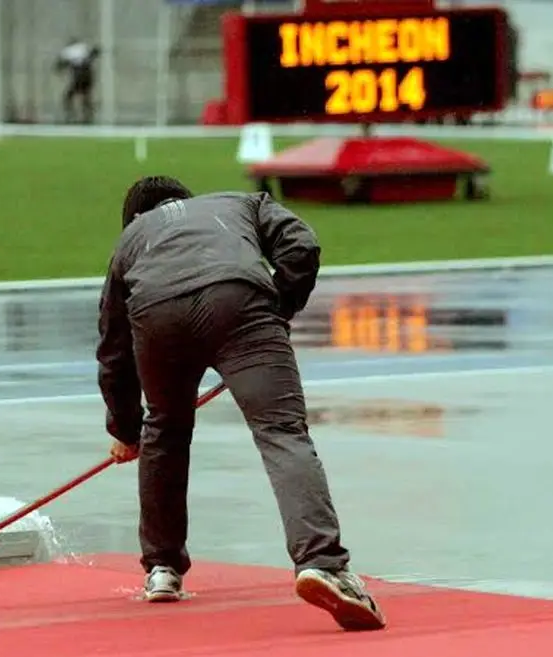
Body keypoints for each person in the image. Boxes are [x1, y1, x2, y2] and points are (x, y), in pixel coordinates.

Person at [95, 176, 386, 632]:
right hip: (241, 300)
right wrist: (278, 307)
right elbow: (301, 245)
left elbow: (114, 345)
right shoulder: (243, 203)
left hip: (157, 316)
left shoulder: (131, 239)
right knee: (282, 433)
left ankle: (162, 569)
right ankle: (322, 563)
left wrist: (127, 430)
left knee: (165, 431)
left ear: (135, 217)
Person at [55, 37, 99, 124]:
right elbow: (92, 55)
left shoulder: (68, 50)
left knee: (69, 96)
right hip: (88, 74)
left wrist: (59, 68)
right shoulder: (83, 48)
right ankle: (87, 115)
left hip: (79, 74)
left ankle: (72, 115)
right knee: (85, 95)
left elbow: (61, 63)